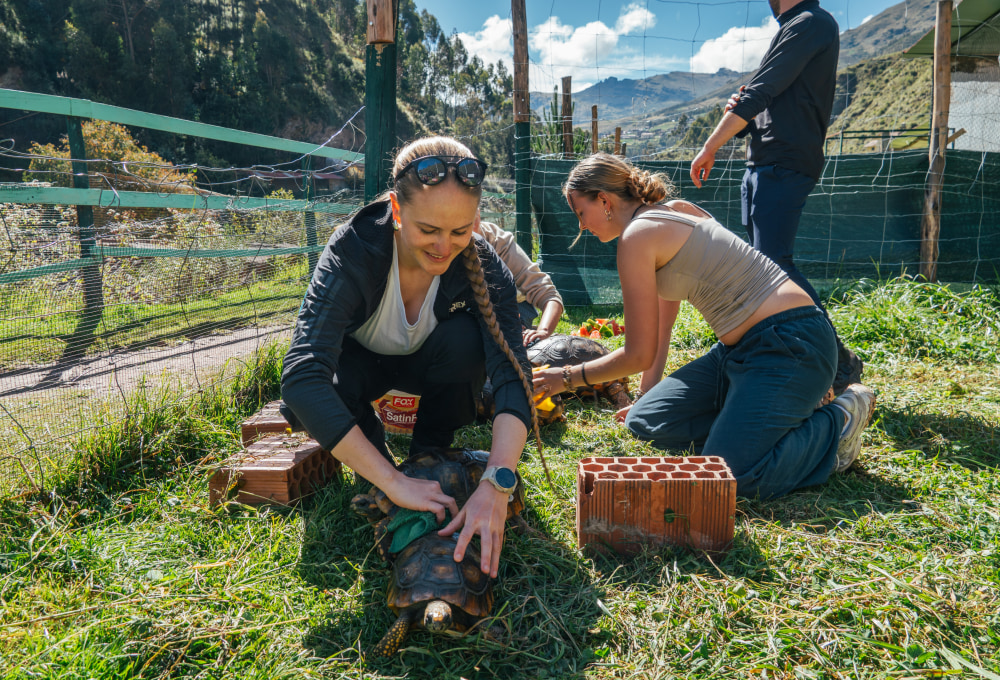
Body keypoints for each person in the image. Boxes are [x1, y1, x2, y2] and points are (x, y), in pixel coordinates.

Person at [532, 154, 876, 500]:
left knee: (731, 475)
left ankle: (839, 423)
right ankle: (764, 418)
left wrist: (565, 378)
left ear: (604, 201)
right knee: (644, 422)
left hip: (792, 345)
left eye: (580, 213)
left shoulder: (637, 237)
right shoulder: (674, 211)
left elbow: (637, 353)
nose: (582, 226)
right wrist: (643, 396)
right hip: (739, 353)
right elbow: (661, 328)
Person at [280, 136, 538, 577]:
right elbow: (302, 377)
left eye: (459, 231)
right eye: (428, 230)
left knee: (468, 343)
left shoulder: (482, 262)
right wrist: (392, 482)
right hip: (362, 368)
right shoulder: (355, 250)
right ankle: (382, 468)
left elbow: (513, 375)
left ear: (474, 221)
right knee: (325, 392)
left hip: (432, 365)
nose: (444, 246)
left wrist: (497, 482)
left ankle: (430, 455)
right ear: (397, 213)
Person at [689, 0, 863, 395]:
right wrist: (742, 114)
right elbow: (762, 98)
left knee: (775, 266)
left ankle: (837, 360)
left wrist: (710, 146)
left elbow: (761, 93)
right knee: (764, 264)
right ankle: (787, 347)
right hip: (763, 161)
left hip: (784, 163)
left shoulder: (811, 23)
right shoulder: (793, 26)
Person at [475, 216, 565, 344]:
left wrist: (543, 331)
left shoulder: (496, 240)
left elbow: (547, 293)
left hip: (513, 309)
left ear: (477, 214)